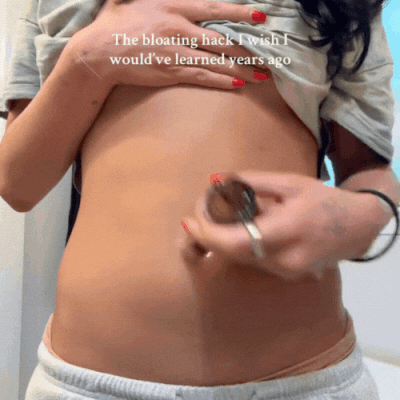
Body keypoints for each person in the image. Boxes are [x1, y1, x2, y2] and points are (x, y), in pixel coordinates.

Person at [0, 0, 399, 399]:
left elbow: (369, 171)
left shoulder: (344, 4)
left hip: (303, 381)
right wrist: (86, 59)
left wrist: (360, 218)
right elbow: (18, 185)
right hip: (87, 385)